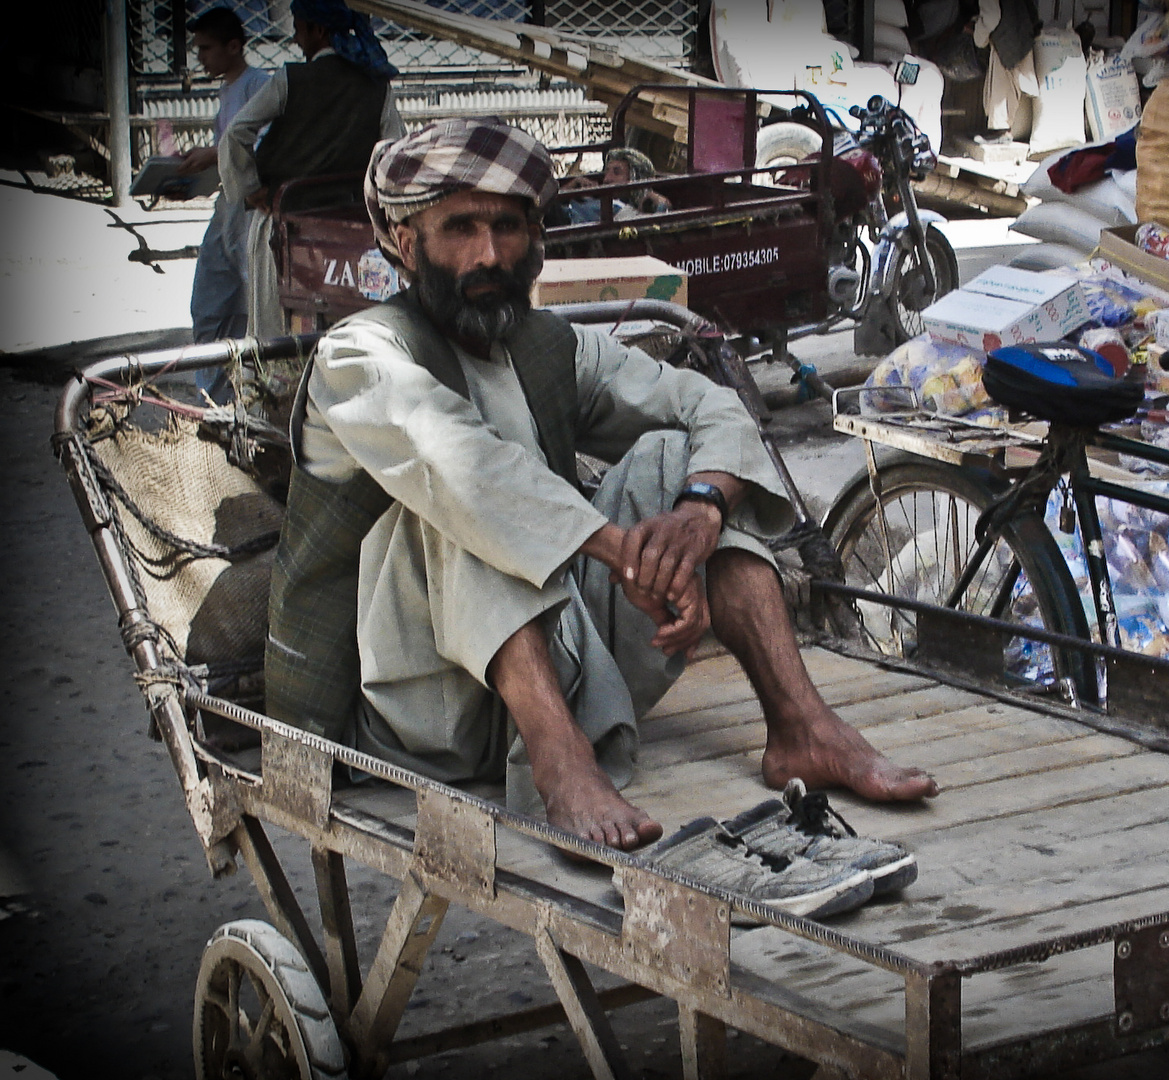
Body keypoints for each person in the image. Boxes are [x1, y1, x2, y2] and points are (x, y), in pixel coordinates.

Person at [266, 118, 938, 853]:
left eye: (508, 228)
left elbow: (708, 406)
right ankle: (562, 765)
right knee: (454, 501)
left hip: (562, 664)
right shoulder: (358, 354)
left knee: (684, 461)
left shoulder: (549, 346)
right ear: (405, 242)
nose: (488, 254)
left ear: (536, 240)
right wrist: (624, 554)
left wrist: (700, 514)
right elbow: (462, 469)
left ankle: (801, 725)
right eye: (459, 228)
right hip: (419, 710)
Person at [222, 0, 404, 339]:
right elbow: (395, 151)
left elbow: (236, 134)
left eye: (299, 27)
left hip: (284, 221)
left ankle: (277, 389)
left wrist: (249, 188)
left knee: (273, 331)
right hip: (349, 224)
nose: (295, 37)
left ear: (318, 31)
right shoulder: (376, 84)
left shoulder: (291, 78)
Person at [181, 7, 271, 361]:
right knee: (210, 304)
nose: (200, 58)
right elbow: (227, 159)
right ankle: (216, 392)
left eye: (206, 49)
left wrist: (215, 154)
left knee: (254, 305)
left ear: (233, 46)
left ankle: (254, 389)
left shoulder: (258, 85)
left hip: (251, 209)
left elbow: (261, 148)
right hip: (228, 207)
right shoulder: (227, 90)